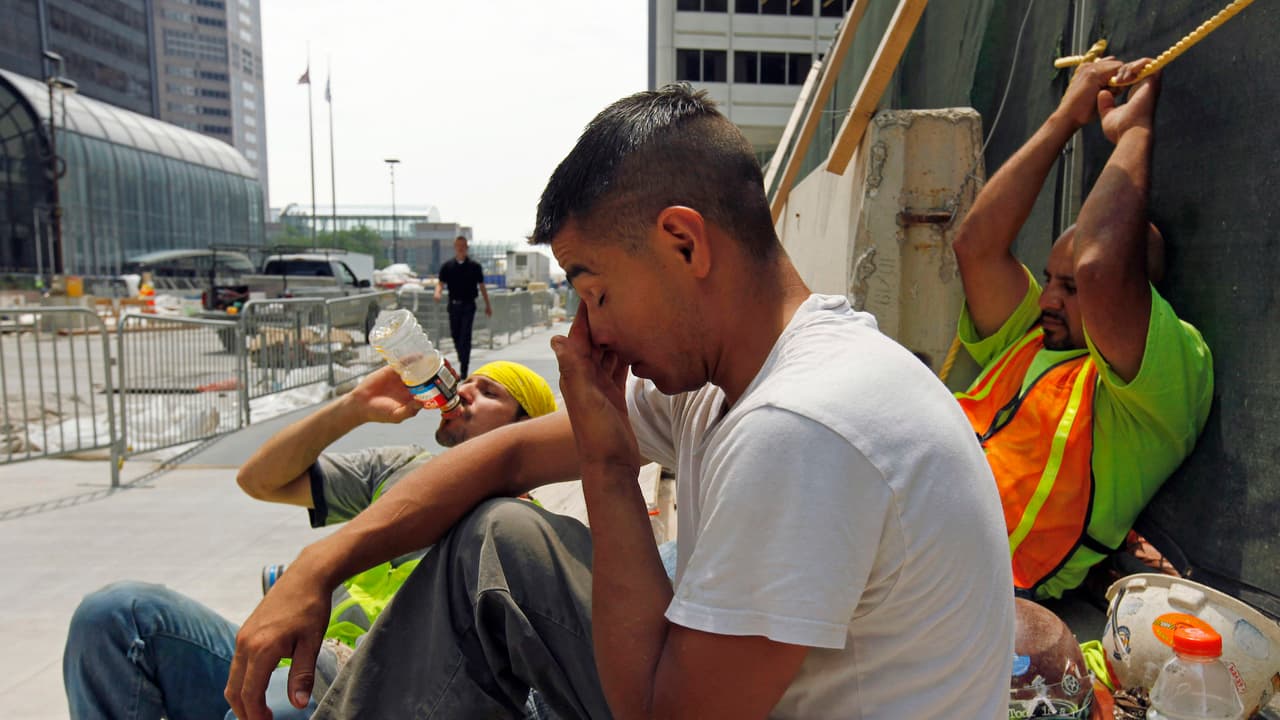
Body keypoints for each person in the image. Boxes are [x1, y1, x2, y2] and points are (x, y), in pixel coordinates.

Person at [225, 84, 1014, 720]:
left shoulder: (801, 426)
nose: (591, 331)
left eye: (596, 291)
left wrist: (607, 465)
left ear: (684, 244)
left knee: (499, 555)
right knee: (502, 540)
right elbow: (504, 456)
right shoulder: (733, 379)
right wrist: (322, 562)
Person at [63, 361, 557, 720]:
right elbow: (259, 480)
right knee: (117, 615)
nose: (464, 391)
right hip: (292, 659)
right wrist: (354, 407)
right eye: (467, 381)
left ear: (525, 430)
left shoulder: (519, 526)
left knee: (283, 699)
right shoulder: (400, 466)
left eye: (488, 392)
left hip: (367, 689)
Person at [951, 57, 1214, 600]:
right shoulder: (1030, 337)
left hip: (980, 589)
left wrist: (1133, 134)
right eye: (1050, 279)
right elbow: (975, 247)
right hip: (899, 527)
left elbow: (1101, 269)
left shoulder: (1156, 382)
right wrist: (1065, 118)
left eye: (1068, 288)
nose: (1048, 298)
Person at [434, 235, 492, 378]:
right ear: (455, 247)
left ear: (466, 247)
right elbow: (440, 283)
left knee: (465, 335)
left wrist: (488, 305)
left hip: (468, 305)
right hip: (453, 305)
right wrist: (437, 293)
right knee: (455, 335)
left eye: (463, 245)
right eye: (458, 245)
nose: (460, 248)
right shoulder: (447, 266)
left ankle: (464, 369)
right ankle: (462, 359)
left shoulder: (475, 267)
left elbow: (482, 287)